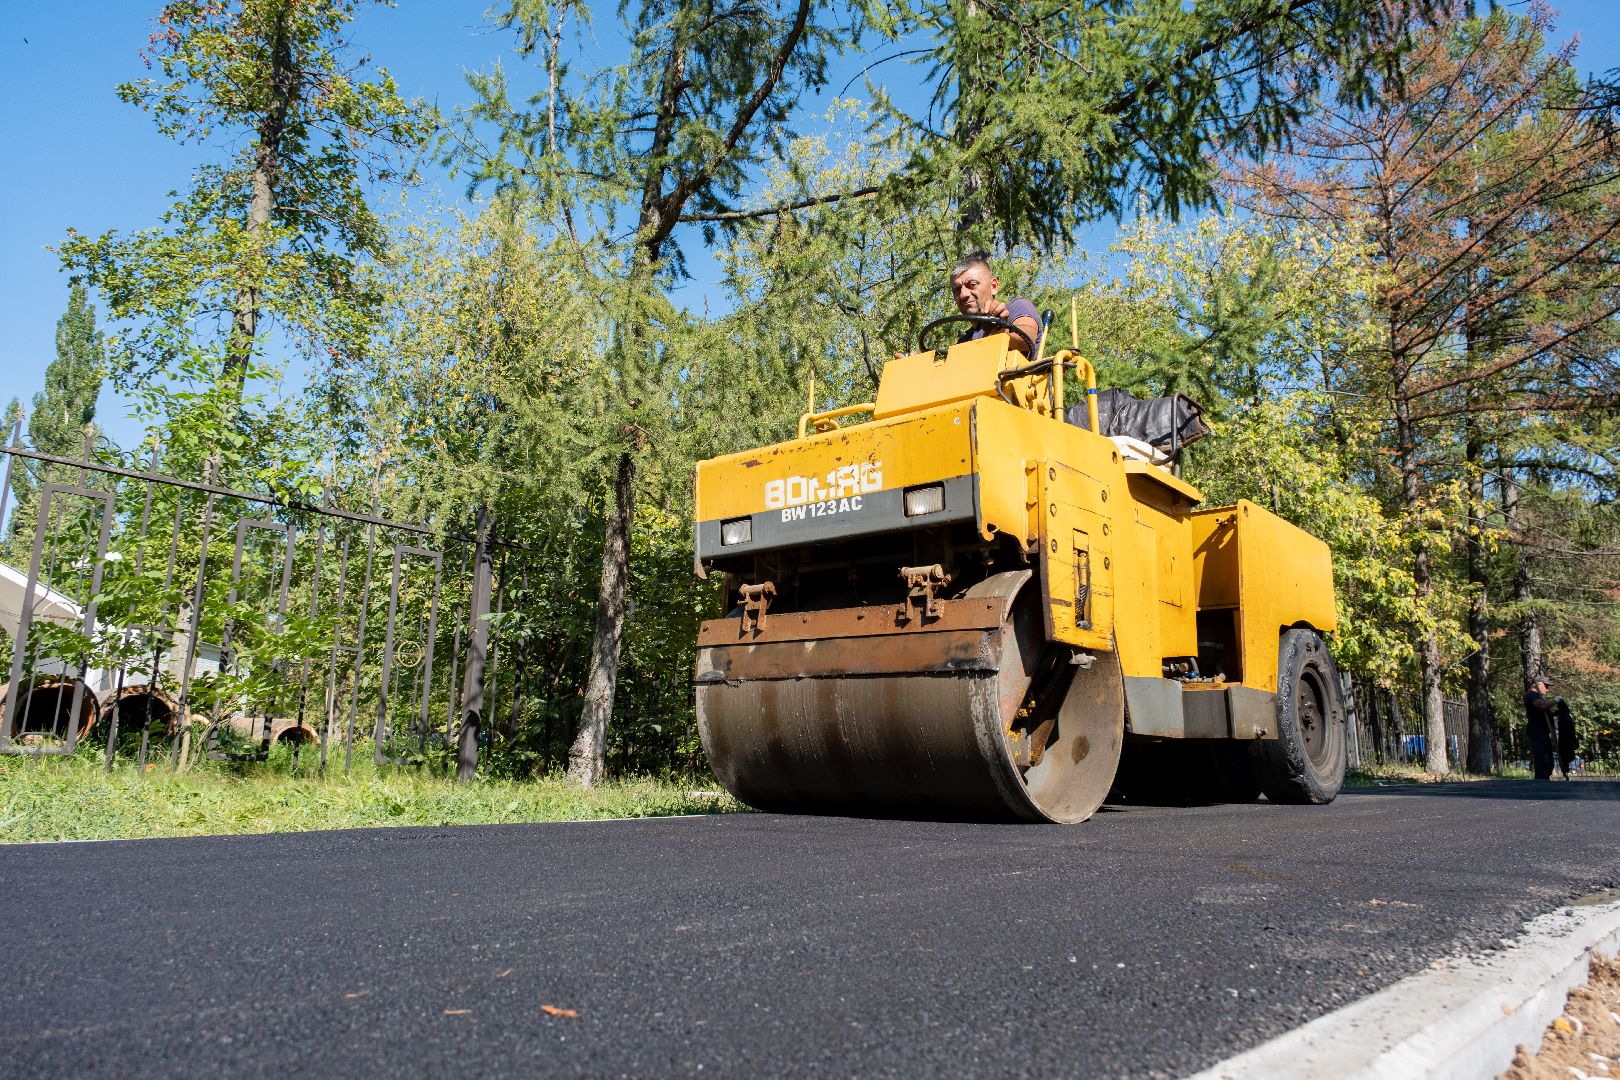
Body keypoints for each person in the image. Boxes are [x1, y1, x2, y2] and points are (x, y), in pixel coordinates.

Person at [948, 251, 1042, 356]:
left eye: (972, 284)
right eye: (957, 289)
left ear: (994, 286)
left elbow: (1026, 339)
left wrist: (997, 330)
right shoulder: (964, 342)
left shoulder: (1017, 307)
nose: (963, 294)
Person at [1523, 678, 1558, 780]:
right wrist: (1555, 700)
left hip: (1543, 731)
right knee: (1541, 755)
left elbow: (1544, 711)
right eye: (1546, 686)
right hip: (1536, 730)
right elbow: (1542, 706)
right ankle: (1541, 779)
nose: (1547, 690)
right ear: (1538, 685)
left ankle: (1545, 777)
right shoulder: (1530, 695)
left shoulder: (1539, 697)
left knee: (1548, 756)